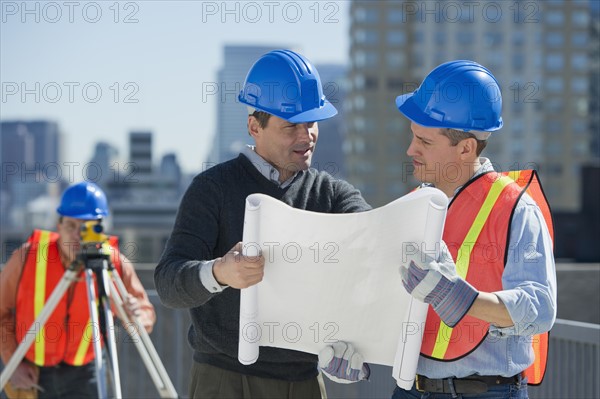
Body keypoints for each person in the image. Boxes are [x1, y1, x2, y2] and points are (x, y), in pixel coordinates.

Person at [154, 49, 371, 398]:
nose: (307, 136)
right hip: (223, 381)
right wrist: (220, 274)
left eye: (311, 123)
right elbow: (168, 283)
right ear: (255, 127)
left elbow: (373, 237)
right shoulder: (212, 189)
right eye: (291, 127)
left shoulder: (332, 195)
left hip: (304, 381)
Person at [392, 60, 556, 398]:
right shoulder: (412, 206)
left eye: (424, 140)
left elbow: (540, 309)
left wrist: (461, 298)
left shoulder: (515, 208)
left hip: (487, 392)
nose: (411, 150)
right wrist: (358, 349)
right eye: (413, 136)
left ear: (466, 148)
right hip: (411, 389)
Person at [0, 181, 156, 398]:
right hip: (32, 371)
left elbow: (145, 315)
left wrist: (134, 316)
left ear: (100, 227)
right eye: (71, 226)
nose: (77, 235)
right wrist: (12, 362)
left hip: (87, 372)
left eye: (86, 227)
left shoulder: (113, 264)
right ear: (59, 224)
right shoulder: (28, 257)